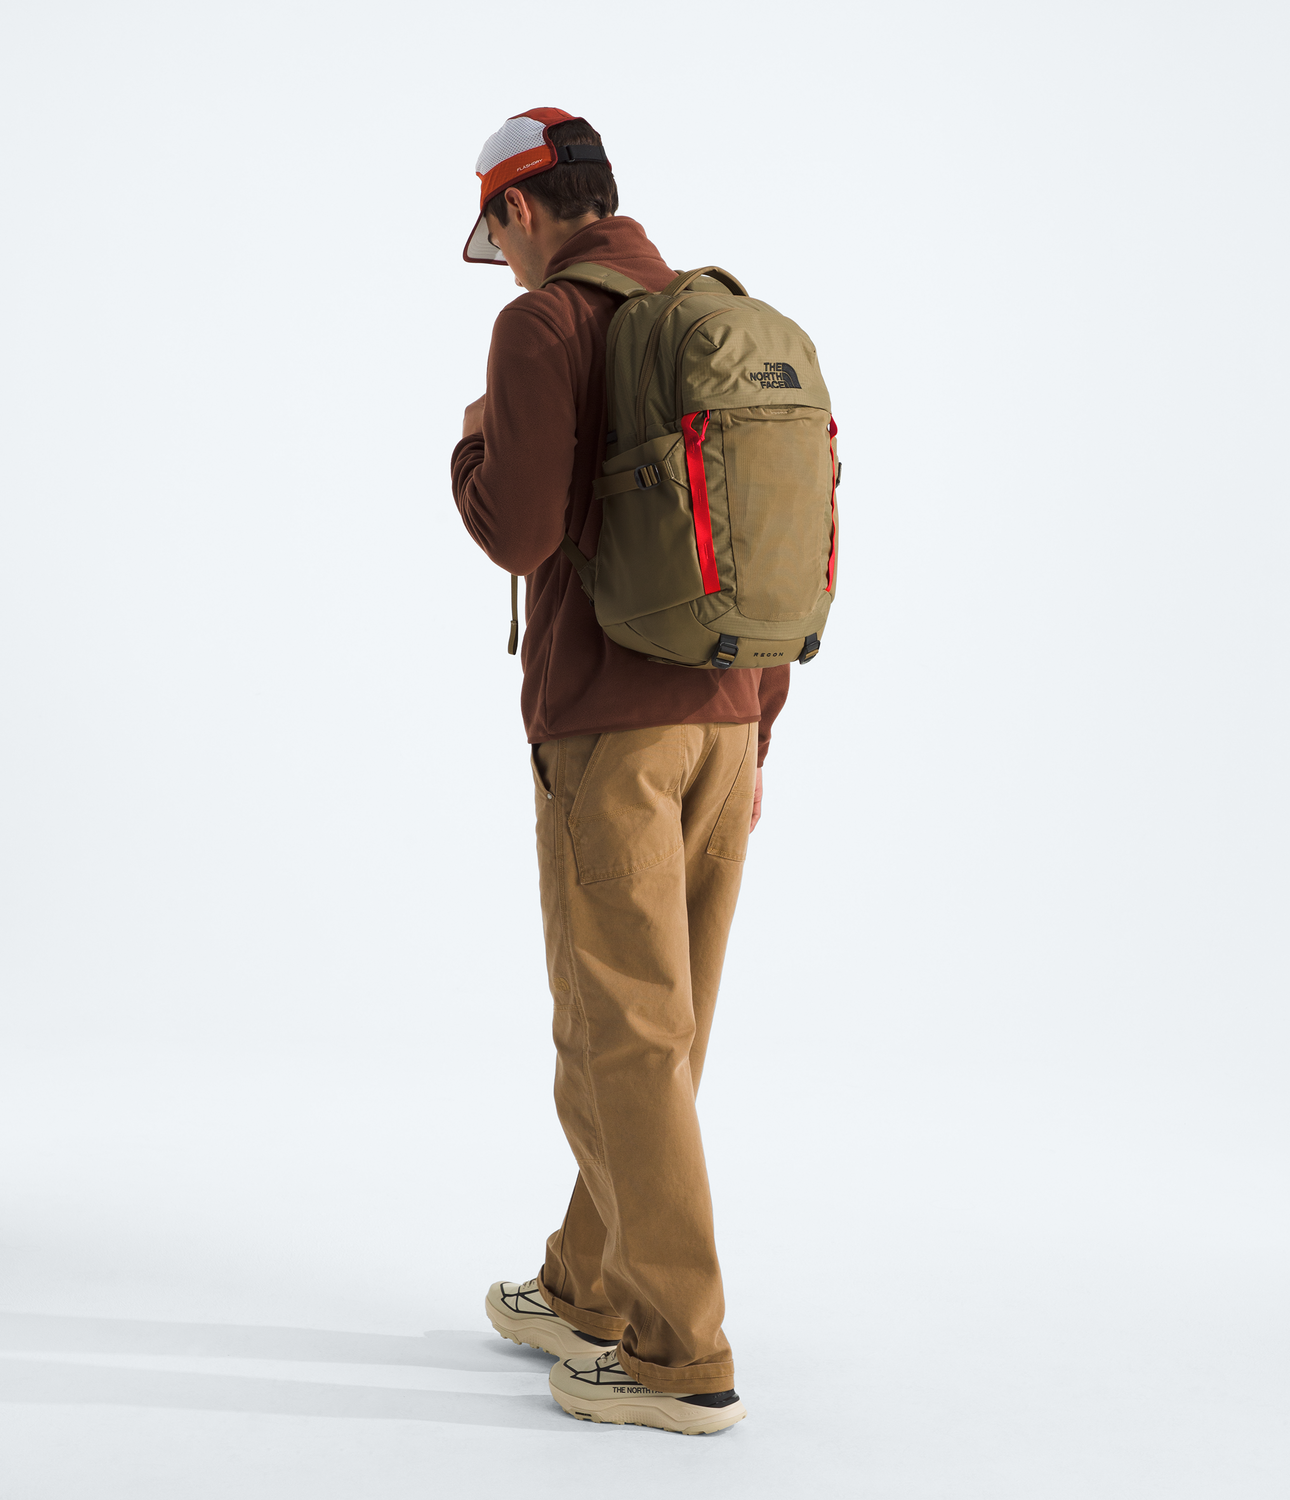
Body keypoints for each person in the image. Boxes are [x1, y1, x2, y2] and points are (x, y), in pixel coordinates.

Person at [451, 107, 790, 1436]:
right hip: (729, 720)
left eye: (496, 232)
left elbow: (519, 531)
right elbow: (760, 544)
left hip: (610, 735)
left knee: (617, 1038)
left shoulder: (544, 326)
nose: (501, 256)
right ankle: (584, 1284)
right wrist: (754, 732)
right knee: (660, 1032)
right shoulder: (711, 317)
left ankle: (676, 1352)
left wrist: (470, 443)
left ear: (522, 211)